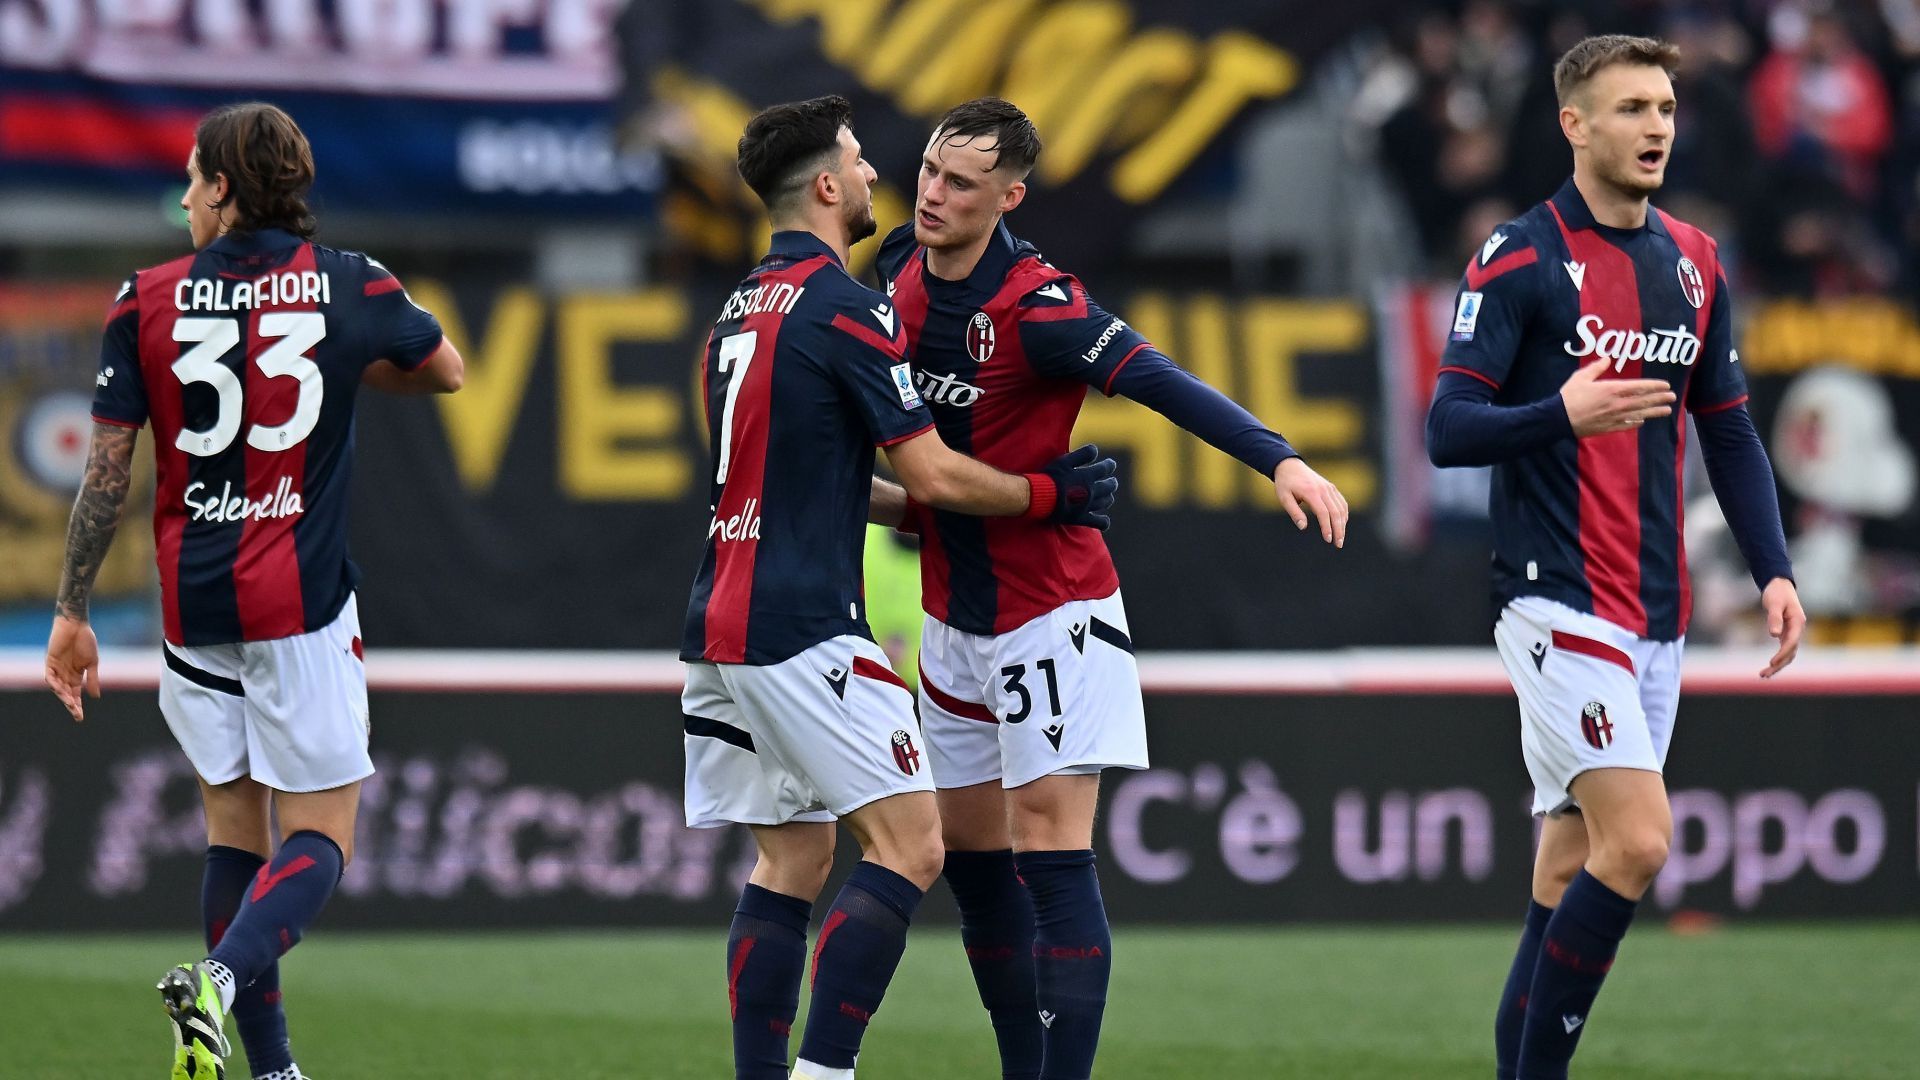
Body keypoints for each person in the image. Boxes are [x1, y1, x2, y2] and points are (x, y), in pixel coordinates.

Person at [868, 97, 1349, 1080]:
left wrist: (1281, 460)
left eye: (962, 183)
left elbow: (1162, 379)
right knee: (973, 865)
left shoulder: (1040, 307)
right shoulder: (898, 269)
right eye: (929, 171)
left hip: (1051, 613)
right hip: (950, 615)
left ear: (1010, 198)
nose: (933, 194)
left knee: (1050, 853)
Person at [679, 94, 1118, 1080]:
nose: (879, 173)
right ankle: (824, 1073)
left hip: (717, 624)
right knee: (915, 848)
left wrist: (920, 512)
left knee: (791, 860)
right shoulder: (850, 307)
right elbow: (932, 473)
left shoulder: (739, 309)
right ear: (827, 188)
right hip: (803, 625)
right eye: (859, 160)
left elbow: (794, 478)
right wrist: (1049, 495)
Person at [43, 101, 464, 1080]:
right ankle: (220, 982)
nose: (186, 198)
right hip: (300, 608)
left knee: (233, 834)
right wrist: (343, 366)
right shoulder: (352, 281)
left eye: (194, 180)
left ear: (225, 189)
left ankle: (271, 1069)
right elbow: (443, 371)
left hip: (194, 609)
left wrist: (71, 610)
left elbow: (106, 475)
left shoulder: (143, 298)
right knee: (321, 835)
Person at [1423, 35, 1804, 1080]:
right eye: (1632, 108)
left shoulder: (1697, 260)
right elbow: (1447, 427)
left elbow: (1729, 426)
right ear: (1574, 125)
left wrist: (1773, 568)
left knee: (1567, 870)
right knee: (1637, 843)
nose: (1656, 128)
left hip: (1657, 613)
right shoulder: (1519, 256)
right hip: (1555, 600)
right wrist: (1560, 413)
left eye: (1667, 108)